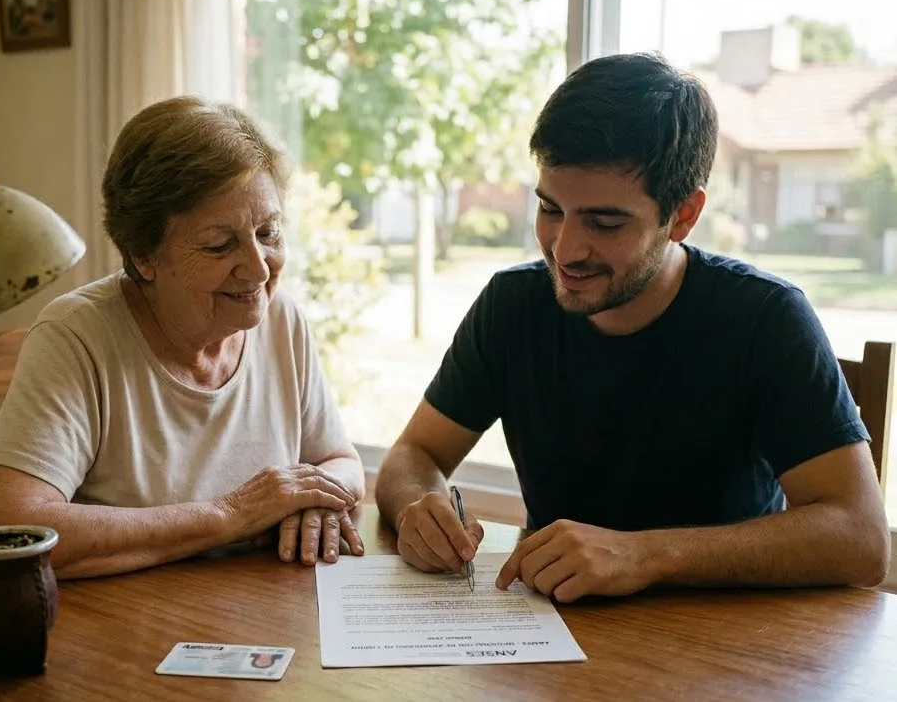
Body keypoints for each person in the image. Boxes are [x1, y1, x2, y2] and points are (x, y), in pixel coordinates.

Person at [375, 52, 891, 603]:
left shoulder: (766, 318)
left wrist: (643, 555)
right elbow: (413, 456)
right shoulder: (512, 305)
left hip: (723, 650)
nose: (565, 250)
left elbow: (860, 539)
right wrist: (417, 506)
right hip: (552, 642)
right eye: (551, 209)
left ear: (684, 216)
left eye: (604, 222)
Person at [0, 96, 365, 578]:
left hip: (251, 616)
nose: (259, 268)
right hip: (118, 628)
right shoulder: (77, 336)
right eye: (220, 245)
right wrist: (232, 515)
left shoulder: (282, 321)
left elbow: (339, 460)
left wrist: (314, 500)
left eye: (268, 232)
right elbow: (9, 527)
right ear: (143, 255)